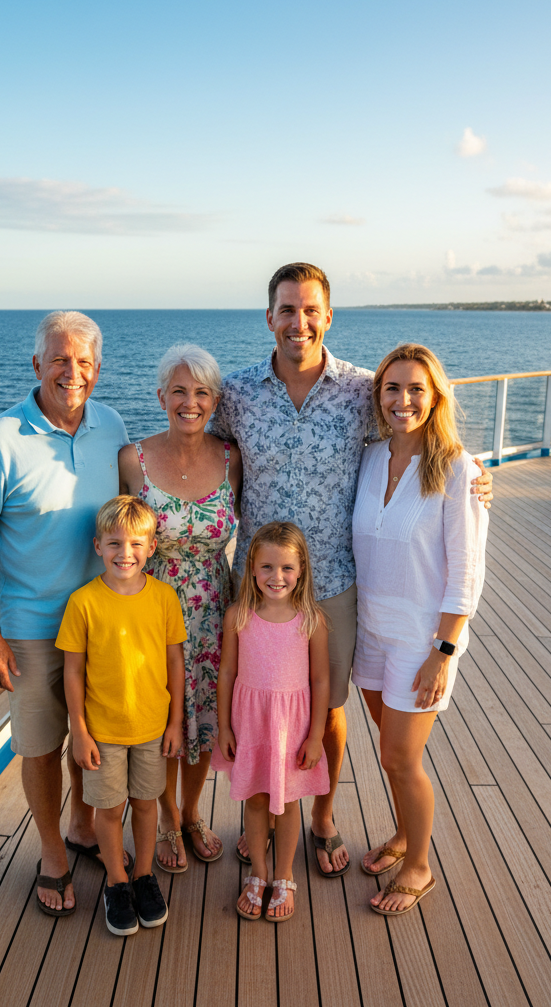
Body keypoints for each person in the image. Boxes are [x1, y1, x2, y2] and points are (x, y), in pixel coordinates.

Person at [208, 263, 494, 877]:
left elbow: (418, 430)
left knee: (325, 708)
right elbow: (204, 454)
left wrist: (476, 476)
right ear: (269, 317)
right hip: (256, 586)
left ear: (329, 316)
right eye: (287, 309)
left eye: (311, 310)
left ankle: (321, 817)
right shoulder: (234, 394)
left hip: (334, 581)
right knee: (252, 700)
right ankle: (262, 810)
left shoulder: (362, 391)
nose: (299, 322)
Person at [0, 311, 130, 916]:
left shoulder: (111, 425)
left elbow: (133, 512)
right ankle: (52, 851)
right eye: (59, 359)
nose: (72, 372)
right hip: (31, 627)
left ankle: (84, 826)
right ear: (36, 365)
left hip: (103, 622)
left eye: (84, 362)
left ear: (99, 370)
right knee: (38, 746)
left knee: (95, 737)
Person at [352, 344, 488, 916]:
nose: (403, 400)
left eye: (416, 389)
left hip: (422, 640)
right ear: (378, 395)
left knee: (402, 758)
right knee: (389, 756)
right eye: (392, 388)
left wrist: (444, 650)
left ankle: (419, 865)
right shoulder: (368, 457)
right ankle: (405, 835)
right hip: (370, 630)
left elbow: (467, 569)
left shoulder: (458, 469)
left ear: (435, 398)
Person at [118, 344, 241, 872]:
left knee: (205, 719)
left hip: (214, 608)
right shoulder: (132, 460)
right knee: (159, 717)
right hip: (152, 610)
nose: (190, 402)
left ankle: (191, 812)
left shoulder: (233, 459)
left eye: (201, 392)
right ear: (160, 396)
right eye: (179, 391)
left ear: (214, 400)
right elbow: (110, 535)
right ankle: (164, 816)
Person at [58, 496, 187, 935]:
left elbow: (175, 663)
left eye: (135, 543)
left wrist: (175, 723)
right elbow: (72, 671)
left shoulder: (165, 599)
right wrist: (79, 730)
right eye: (114, 543)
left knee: (147, 806)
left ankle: (145, 876)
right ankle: (117, 882)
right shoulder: (83, 603)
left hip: (153, 728)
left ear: (152, 547)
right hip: (103, 731)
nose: (125, 553)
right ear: (97, 546)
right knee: (109, 811)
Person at [211, 522, 329, 921]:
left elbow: (320, 679)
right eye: (266, 567)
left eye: (286, 568)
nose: (276, 577)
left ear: (301, 571)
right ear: (251, 567)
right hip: (252, 723)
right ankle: (258, 874)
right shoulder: (238, 616)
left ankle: (284, 876)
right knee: (257, 799)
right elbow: (226, 672)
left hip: (291, 727)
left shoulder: (312, 619)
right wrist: (225, 727)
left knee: (289, 802)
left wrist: (316, 736)